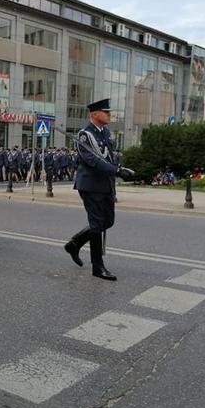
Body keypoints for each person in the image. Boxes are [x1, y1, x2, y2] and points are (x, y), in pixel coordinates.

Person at [64, 98, 134, 281]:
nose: (110, 115)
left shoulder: (105, 133)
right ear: (95, 114)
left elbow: (110, 158)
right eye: (107, 112)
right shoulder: (85, 135)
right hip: (91, 185)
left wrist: (120, 169)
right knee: (97, 224)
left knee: (107, 221)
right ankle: (98, 267)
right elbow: (93, 161)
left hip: (105, 184)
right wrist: (117, 171)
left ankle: (75, 243)